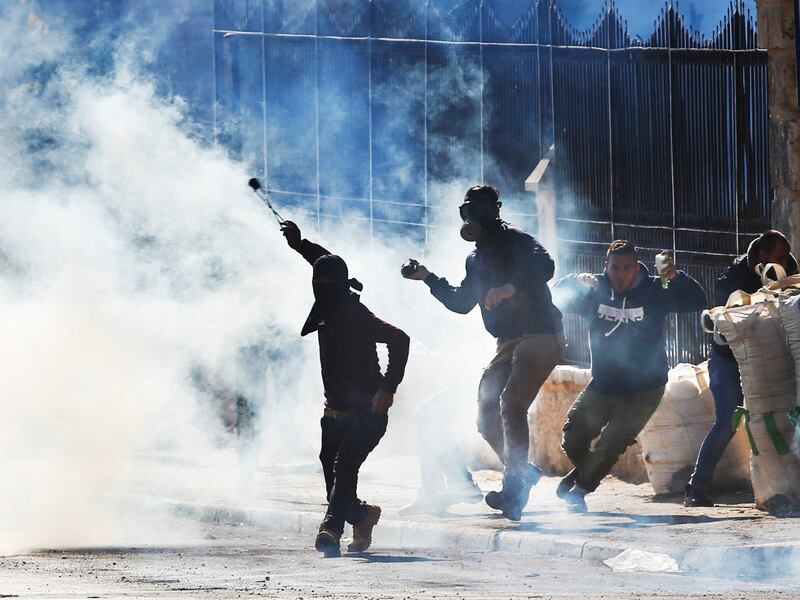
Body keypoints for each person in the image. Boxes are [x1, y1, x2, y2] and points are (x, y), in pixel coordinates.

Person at [402, 185, 565, 521]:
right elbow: (462, 302)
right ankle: (521, 473)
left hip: (541, 333)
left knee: (511, 402)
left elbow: (546, 265)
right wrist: (428, 278)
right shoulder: (474, 260)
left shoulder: (516, 241)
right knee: (485, 412)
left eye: (481, 208)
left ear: (496, 210)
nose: (474, 216)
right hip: (507, 342)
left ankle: (514, 487)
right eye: (468, 210)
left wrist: (509, 287)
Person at [281, 220, 410, 557]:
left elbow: (400, 339)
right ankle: (363, 516)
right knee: (335, 482)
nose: (321, 287)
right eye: (317, 283)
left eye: (327, 284)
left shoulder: (354, 312)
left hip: (368, 412)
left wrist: (388, 389)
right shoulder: (328, 301)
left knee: (344, 467)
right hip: (334, 413)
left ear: (338, 285)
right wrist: (300, 244)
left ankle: (331, 530)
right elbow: (325, 263)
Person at [552, 240, 706, 512]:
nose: (620, 275)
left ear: (636, 267)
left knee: (612, 443)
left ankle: (581, 490)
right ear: (605, 266)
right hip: (604, 384)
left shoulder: (656, 290)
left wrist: (676, 277)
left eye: (626, 268)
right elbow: (555, 296)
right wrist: (574, 280)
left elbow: (697, 300)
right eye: (615, 268)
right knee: (573, 438)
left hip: (646, 387)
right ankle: (585, 471)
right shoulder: (594, 290)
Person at [685, 230, 797, 507]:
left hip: (767, 363)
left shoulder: (789, 271)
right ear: (762, 255)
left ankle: (780, 486)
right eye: (779, 257)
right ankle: (696, 488)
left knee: (782, 418)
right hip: (727, 358)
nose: (785, 262)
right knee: (728, 420)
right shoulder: (734, 277)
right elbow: (726, 314)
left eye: (786, 257)